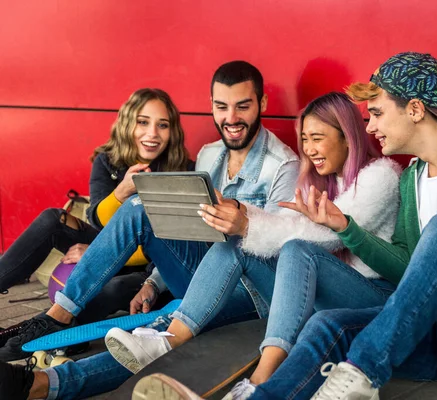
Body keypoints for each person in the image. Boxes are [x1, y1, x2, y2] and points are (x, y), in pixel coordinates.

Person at [133, 51, 437, 400]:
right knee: (330, 326)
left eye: (378, 113)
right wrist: (347, 228)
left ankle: (363, 369)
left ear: (415, 109)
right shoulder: (414, 181)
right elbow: (406, 269)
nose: (370, 125)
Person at [0, 60, 300, 400]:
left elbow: (283, 253)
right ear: (211, 106)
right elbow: (185, 233)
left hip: (251, 292)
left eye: (243, 106)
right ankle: (60, 314)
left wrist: (245, 224)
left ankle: (38, 385)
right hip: (201, 274)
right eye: (221, 106)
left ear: (261, 104)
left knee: (157, 335)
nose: (231, 118)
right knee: (139, 208)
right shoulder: (209, 155)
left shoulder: (284, 165)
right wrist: (152, 282)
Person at [103, 91, 401, 398]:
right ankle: (169, 339)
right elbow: (285, 224)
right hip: (320, 293)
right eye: (305, 139)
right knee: (236, 243)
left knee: (297, 249)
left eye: (317, 138)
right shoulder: (319, 180)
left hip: (368, 296)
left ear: (348, 138)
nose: (309, 149)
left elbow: (324, 237)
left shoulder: (381, 176)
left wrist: (247, 223)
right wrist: (239, 212)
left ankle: (259, 382)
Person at [0, 87, 191, 341]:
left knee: (114, 288)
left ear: (172, 132)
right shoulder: (108, 161)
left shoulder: (185, 171)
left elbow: (173, 245)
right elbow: (97, 219)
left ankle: (29, 334)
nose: (152, 134)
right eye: (143, 122)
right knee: (52, 219)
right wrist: (122, 190)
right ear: (127, 123)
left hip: (149, 269)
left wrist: (97, 253)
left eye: (163, 125)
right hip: (108, 244)